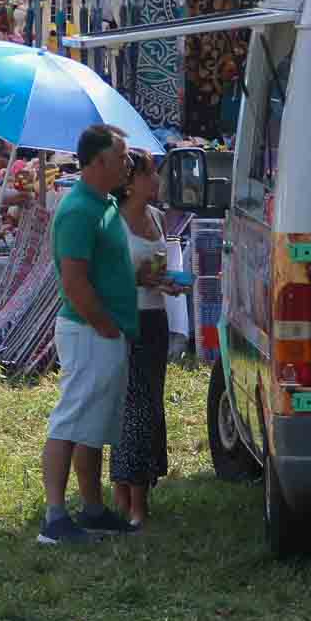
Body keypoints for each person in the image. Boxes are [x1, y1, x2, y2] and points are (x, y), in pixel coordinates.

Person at [38, 123, 139, 545]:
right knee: (71, 420)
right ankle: (55, 518)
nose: (128, 164)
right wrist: (104, 324)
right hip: (89, 330)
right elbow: (74, 280)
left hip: (104, 329)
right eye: (121, 157)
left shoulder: (105, 203)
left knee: (93, 424)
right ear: (99, 162)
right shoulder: (79, 209)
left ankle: (93, 509)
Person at [112, 149, 180, 530]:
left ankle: (135, 490)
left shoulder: (155, 217)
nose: (155, 181)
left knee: (150, 407)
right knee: (133, 409)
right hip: (127, 320)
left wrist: (166, 282)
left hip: (155, 319)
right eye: (149, 174)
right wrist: (137, 279)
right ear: (128, 181)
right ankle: (131, 498)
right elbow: (105, 276)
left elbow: (159, 267)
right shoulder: (113, 222)